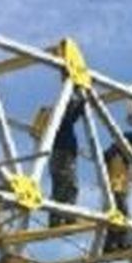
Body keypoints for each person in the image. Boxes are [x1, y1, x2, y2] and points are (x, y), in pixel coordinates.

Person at [49, 94, 84, 227]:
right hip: (64, 155)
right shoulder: (61, 119)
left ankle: (57, 218)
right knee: (69, 186)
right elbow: (72, 116)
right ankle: (66, 216)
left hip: (61, 155)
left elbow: (74, 116)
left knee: (60, 187)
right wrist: (81, 101)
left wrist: (81, 103)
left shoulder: (61, 119)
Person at [103, 132, 132, 253]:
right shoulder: (113, 153)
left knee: (115, 218)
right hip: (115, 190)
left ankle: (110, 245)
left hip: (120, 190)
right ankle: (123, 243)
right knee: (123, 216)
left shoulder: (125, 156)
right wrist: (116, 147)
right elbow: (105, 157)